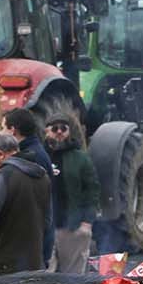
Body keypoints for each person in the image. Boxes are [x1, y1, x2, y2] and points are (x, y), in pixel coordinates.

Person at [0, 131, 50, 275]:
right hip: (33, 263)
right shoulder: (42, 175)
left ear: (0, 154)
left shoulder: (4, 175)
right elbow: (47, 221)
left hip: (3, 264)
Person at [44, 115, 100, 273]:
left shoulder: (80, 158)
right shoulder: (41, 156)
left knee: (73, 277)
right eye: (55, 128)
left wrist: (87, 222)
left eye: (64, 128)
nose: (60, 132)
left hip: (73, 226)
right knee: (45, 276)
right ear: (47, 131)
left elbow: (92, 190)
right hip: (47, 226)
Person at [4, 108, 58, 265]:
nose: (2, 132)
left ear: (13, 130)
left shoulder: (31, 157)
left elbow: (32, 203)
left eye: (3, 128)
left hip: (33, 241)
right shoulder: (34, 151)